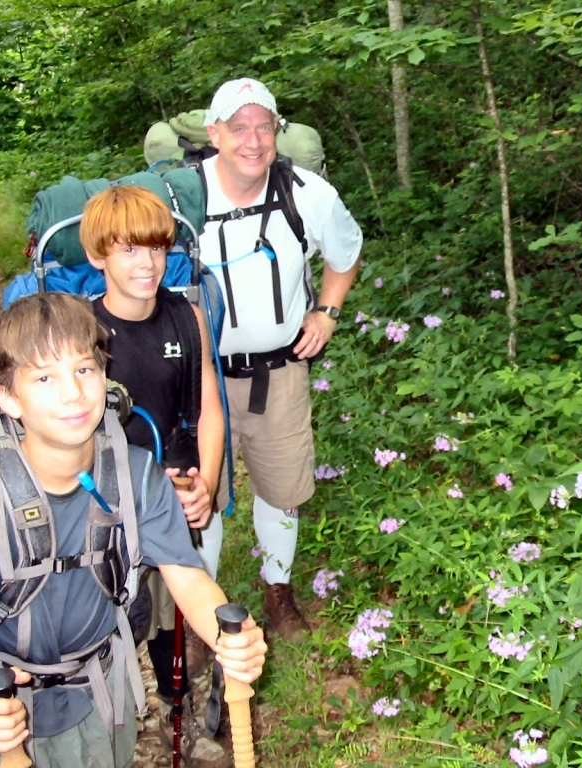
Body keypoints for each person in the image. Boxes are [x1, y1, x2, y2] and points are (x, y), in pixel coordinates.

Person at [0, 293, 266, 768]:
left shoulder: (136, 476)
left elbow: (186, 574)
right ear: (8, 397)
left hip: (98, 698)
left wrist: (230, 639)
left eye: (84, 369)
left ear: (104, 374)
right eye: (45, 377)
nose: (73, 393)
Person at [199, 77, 363, 640]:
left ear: (277, 131)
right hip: (200, 379)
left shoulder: (307, 194)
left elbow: (346, 253)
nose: (252, 140)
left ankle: (279, 591)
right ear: (213, 132)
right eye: (238, 127)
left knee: (283, 487)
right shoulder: (182, 196)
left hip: (280, 369)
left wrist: (327, 313)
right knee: (202, 494)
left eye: (263, 126)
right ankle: (202, 611)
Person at [81, 185, 229, 767]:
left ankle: (179, 716)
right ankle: (112, 724)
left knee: (175, 616)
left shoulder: (186, 316)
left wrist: (208, 484)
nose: (146, 264)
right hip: (108, 505)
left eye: (156, 250)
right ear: (98, 257)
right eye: (127, 250)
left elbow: (209, 407)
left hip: (182, 494)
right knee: (119, 617)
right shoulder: (83, 330)